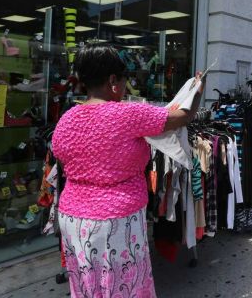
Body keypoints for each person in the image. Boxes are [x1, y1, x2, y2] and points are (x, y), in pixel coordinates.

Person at [52, 45, 204, 297]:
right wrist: (197, 89)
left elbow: (61, 158)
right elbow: (183, 116)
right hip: (115, 221)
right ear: (113, 81)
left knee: (87, 285)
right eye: (125, 80)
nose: (125, 87)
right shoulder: (129, 113)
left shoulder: (67, 119)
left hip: (73, 219)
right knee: (124, 287)